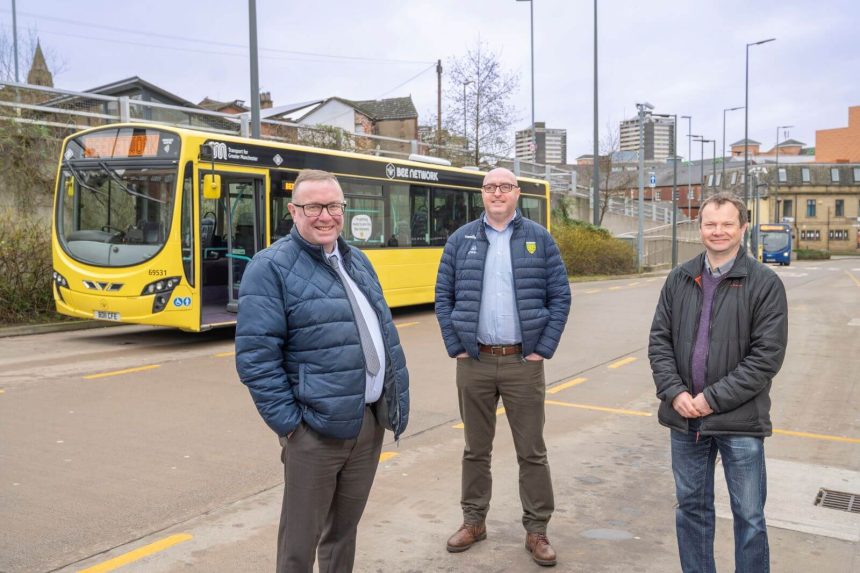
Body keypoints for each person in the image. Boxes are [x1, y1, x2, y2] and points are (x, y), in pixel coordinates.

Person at [235, 169, 409, 573]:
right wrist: (292, 426)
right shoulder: (270, 267)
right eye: (313, 206)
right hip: (314, 432)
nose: (325, 215)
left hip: (367, 424)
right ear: (294, 211)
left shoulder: (356, 259)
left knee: (343, 534)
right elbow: (256, 358)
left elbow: (380, 330)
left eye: (333, 206)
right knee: (300, 542)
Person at [435, 167, 571, 567]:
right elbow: (443, 296)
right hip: (474, 361)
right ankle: (473, 521)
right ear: (482, 194)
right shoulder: (461, 240)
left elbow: (560, 296)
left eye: (505, 187)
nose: (498, 193)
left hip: (522, 363)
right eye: (491, 187)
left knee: (532, 451)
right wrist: (456, 346)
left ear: (517, 193)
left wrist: (542, 349)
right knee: (475, 449)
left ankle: (537, 530)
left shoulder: (539, 239)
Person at [648, 192, 788, 573]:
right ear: (700, 228)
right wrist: (675, 392)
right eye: (710, 224)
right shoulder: (679, 277)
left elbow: (766, 358)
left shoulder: (764, 283)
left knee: (749, 517)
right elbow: (659, 341)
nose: (718, 231)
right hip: (684, 420)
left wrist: (709, 399)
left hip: (740, 421)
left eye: (727, 224)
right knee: (691, 511)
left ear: (743, 228)